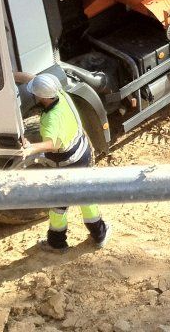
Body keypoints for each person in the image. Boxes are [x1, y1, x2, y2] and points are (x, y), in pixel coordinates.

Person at [18, 73, 111, 252]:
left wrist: (31, 149)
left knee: (58, 205)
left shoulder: (51, 119)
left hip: (67, 163)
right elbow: (37, 80)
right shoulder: (61, 94)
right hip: (82, 153)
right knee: (85, 196)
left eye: (36, 93)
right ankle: (100, 234)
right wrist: (10, 74)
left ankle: (57, 243)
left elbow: (54, 144)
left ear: (42, 96)